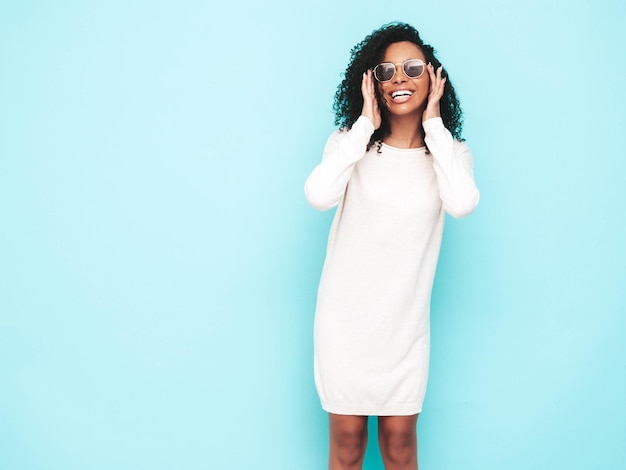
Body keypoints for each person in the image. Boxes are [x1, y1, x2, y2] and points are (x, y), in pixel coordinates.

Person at [304, 22, 480, 469]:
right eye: (386, 70)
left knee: (400, 447)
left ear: (434, 79)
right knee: (347, 446)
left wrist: (435, 124)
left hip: (403, 327)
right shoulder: (349, 146)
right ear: (371, 82)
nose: (400, 78)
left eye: (413, 68)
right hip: (344, 323)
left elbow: (461, 204)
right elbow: (318, 196)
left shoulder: (450, 155)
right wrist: (364, 123)